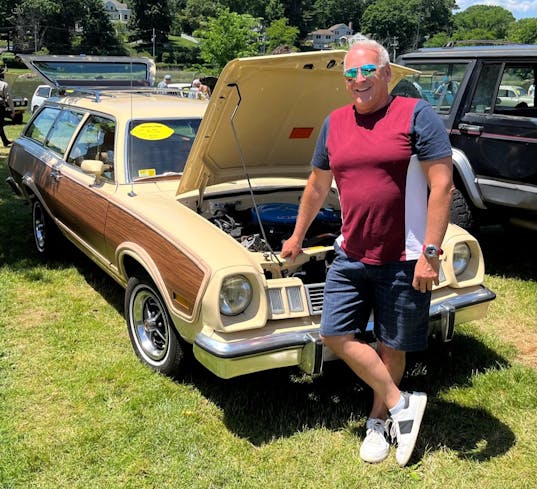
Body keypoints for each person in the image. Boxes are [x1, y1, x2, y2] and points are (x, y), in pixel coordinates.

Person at [281, 39, 454, 467]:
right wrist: (297, 236)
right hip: (351, 254)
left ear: (387, 73)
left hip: (405, 256)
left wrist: (431, 252)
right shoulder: (334, 123)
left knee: (391, 345)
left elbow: (442, 185)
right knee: (334, 334)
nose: (359, 80)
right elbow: (317, 185)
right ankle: (402, 404)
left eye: (367, 71)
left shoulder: (416, 115)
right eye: (351, 74)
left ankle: (378, 421)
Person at [0, 68, 15, 147]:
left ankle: (5, 141)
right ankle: (5, 141)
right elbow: (8, 97)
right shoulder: (4, 84)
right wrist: (12, 109)